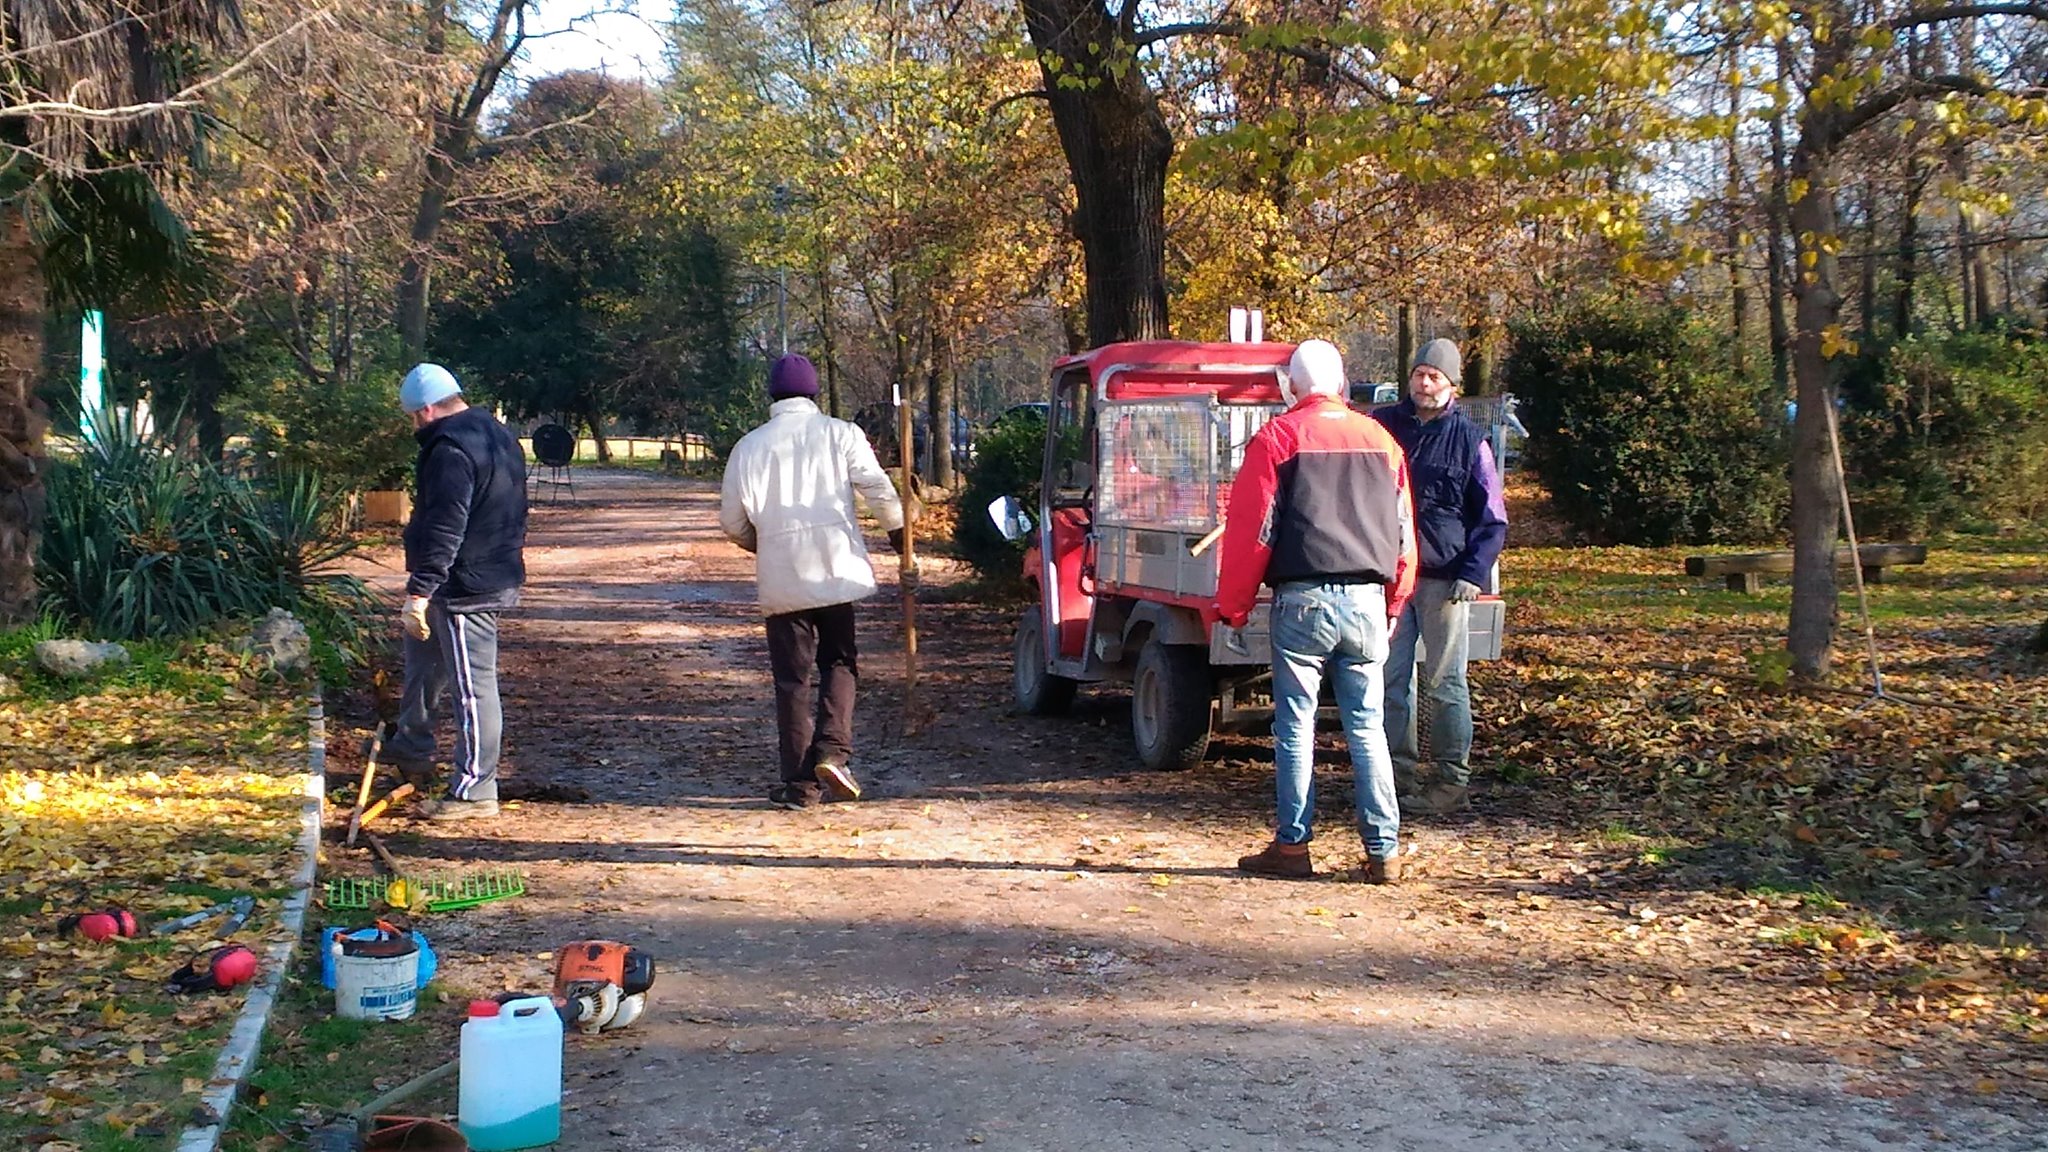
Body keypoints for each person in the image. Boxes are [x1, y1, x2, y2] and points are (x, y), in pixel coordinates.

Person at [1214, 339, 1417, 883]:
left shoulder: (1278, 438)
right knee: (1367, 728)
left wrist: (1232, 607)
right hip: (1368, 602)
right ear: (1345, 384)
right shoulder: (1383, 440)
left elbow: (1252, 534)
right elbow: (1403, 533)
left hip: (1302, 602)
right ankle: (1384, 852)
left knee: (1296, 728)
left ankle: (1293, 846)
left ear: (1289, 386)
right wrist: (1397, 598)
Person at [721, 353, 907, 810]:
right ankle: (833, 752)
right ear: (814, 392)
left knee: (791, 681)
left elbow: (732, 521)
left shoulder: (748, 447)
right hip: (836, 570)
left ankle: (800, 787)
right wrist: (900, 532)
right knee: (840, 663)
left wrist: (762, 544)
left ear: (772, 395)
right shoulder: (841, 434)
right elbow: (877, 487)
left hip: (784, 580)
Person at [1370, 338, 1509, 815]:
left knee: (1446, 682)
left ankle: (1452, 780)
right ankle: (1395, 776)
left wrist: (1473, 572)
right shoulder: (1383, 426)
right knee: (1390, 680)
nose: (1425, 383)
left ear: (1452, 385)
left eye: (1435, 376)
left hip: (1446, 581)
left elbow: (1493, 519)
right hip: (1390, 576)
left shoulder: (1471, 441)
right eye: (1419, 374)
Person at [385, 363, 529, 821]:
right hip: (476, 572)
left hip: (467, 584)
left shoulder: (449, 449)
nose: (414, 427)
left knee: (472, 687)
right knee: (423, 665)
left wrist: (420, 591)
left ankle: (475, 789)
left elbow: (446, 525)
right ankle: (412, 747)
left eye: (413, 417)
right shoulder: (497, 433)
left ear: (427, 410)